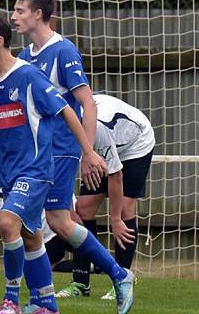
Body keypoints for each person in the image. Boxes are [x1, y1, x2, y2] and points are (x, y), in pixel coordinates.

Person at [0, 13, 135, 314]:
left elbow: (68, 112)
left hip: (36, 168)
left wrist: (88, 151)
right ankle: (46, 303)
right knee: (33, 233)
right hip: (9, 169)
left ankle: (10, 299)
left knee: (8, 222)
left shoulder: (30, 75)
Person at [11, 0, 136, 308]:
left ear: (38, 14)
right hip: (37, 151)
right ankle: (115, 275)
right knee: (54, 222)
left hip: (61, 149)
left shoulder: (63, 52)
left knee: (32, 220)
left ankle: (31, 298)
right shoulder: (25, 57)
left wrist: (88, 151)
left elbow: (87, 104)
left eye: (20, 11)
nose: (14, 17)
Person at [64, 94, 155, 300]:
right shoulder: (59, 122)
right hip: (103, 147)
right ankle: (80, 282)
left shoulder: (98, 129)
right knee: (83, 208)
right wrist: (68, 207)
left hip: (135, 144)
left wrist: (115, 220)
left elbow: (116, 175)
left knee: (124, 209)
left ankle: (122, 279)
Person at [0, 144, 70, 272]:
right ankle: (87, 265)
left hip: (40, 230)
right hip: (55, 211)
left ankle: (87, 266)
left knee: (35, 268)